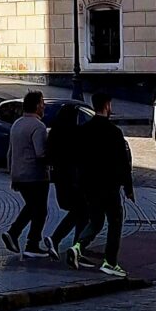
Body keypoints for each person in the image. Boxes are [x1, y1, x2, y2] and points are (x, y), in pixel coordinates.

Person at [68, 90, 135, 276]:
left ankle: (78, 246)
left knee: (96, 220)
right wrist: (128, 188)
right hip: (109, 185)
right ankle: (110, 261)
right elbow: (123, 163)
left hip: (89, 185)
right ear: (107, 105)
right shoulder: (114, 132)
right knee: (115, 221)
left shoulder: (83, 130)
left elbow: (77, 159)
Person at [2, 91, 51, 258]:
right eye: (42, 103)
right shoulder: (38, 127)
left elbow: (10, 151)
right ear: (37, 106)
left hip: (19, 174)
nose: (44, 106)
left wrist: (12, 173)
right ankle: (28, 241)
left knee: (33, 206)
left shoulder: (17, 124)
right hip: (35, 175)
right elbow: (41, 153)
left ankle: (18, 235)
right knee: (39, 209)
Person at [45, 100, 88, 257]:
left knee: (79, 211)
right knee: (81, 211)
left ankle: (74, 245)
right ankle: (66, 242)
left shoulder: (54, 133)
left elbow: (49, 156)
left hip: (60, 179)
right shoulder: (75, 133)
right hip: (74, 179)